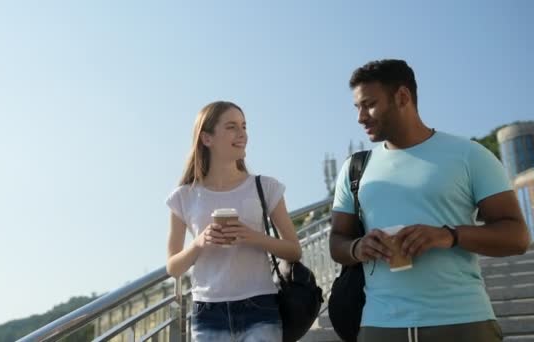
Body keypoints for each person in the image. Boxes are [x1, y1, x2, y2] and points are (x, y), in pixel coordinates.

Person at [330, 59, 531, 342]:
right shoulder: (355, 169)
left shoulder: (469, 155)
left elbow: (517, 236)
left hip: (463, 322)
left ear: (402, 97)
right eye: (357, 107)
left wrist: (448, 236)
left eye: (369, 104)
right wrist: (357, 246)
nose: (361, 117)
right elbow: (337, 240)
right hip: (380, 325)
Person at [166, 101, 302, 342]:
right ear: (207, 139)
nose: (242, 134)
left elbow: (294, 250)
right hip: (207, 313)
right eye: (231, 127)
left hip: (260, 307)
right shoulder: (183, 197)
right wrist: (199, 243)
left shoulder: (266, 187)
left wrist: (253, 236)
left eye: (244, 126)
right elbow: (173, 267)